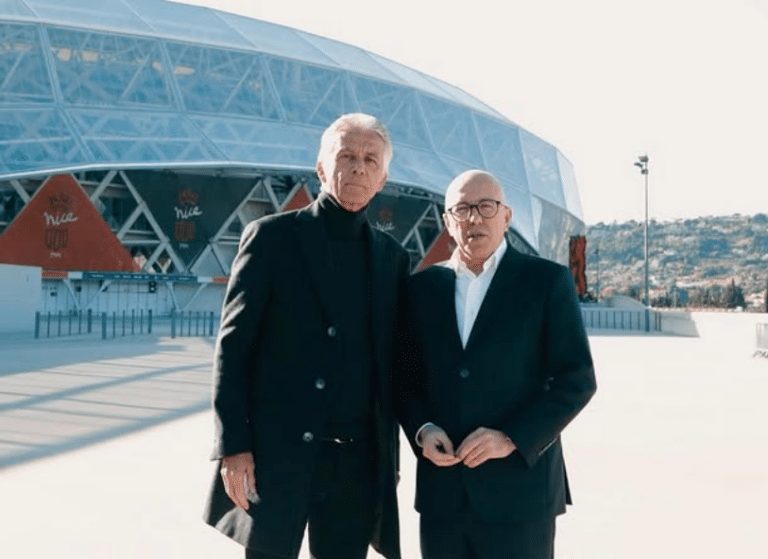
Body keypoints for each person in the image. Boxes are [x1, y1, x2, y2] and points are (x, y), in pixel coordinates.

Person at [203, 113, 409, 559]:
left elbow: (393, 364)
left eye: (370, 159)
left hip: (357, 462)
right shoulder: (271, 238)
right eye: (347, 155)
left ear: (382, 178)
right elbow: (233, 349)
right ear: (320, 168)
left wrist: (390, 456)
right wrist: (233, 447)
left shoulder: (393, 258)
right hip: (275, 457)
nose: (358, 167)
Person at [397, 170, 597, 559]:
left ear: (506, 216)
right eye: (462, 209)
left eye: (486, 207)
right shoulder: (420, 288)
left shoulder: (547, 281)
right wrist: (422, 429)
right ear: (447, 222)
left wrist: (511, 437)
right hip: (444, 497)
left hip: (521, 494)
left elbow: (576, 379)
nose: (474, 218)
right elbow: (404, 377)